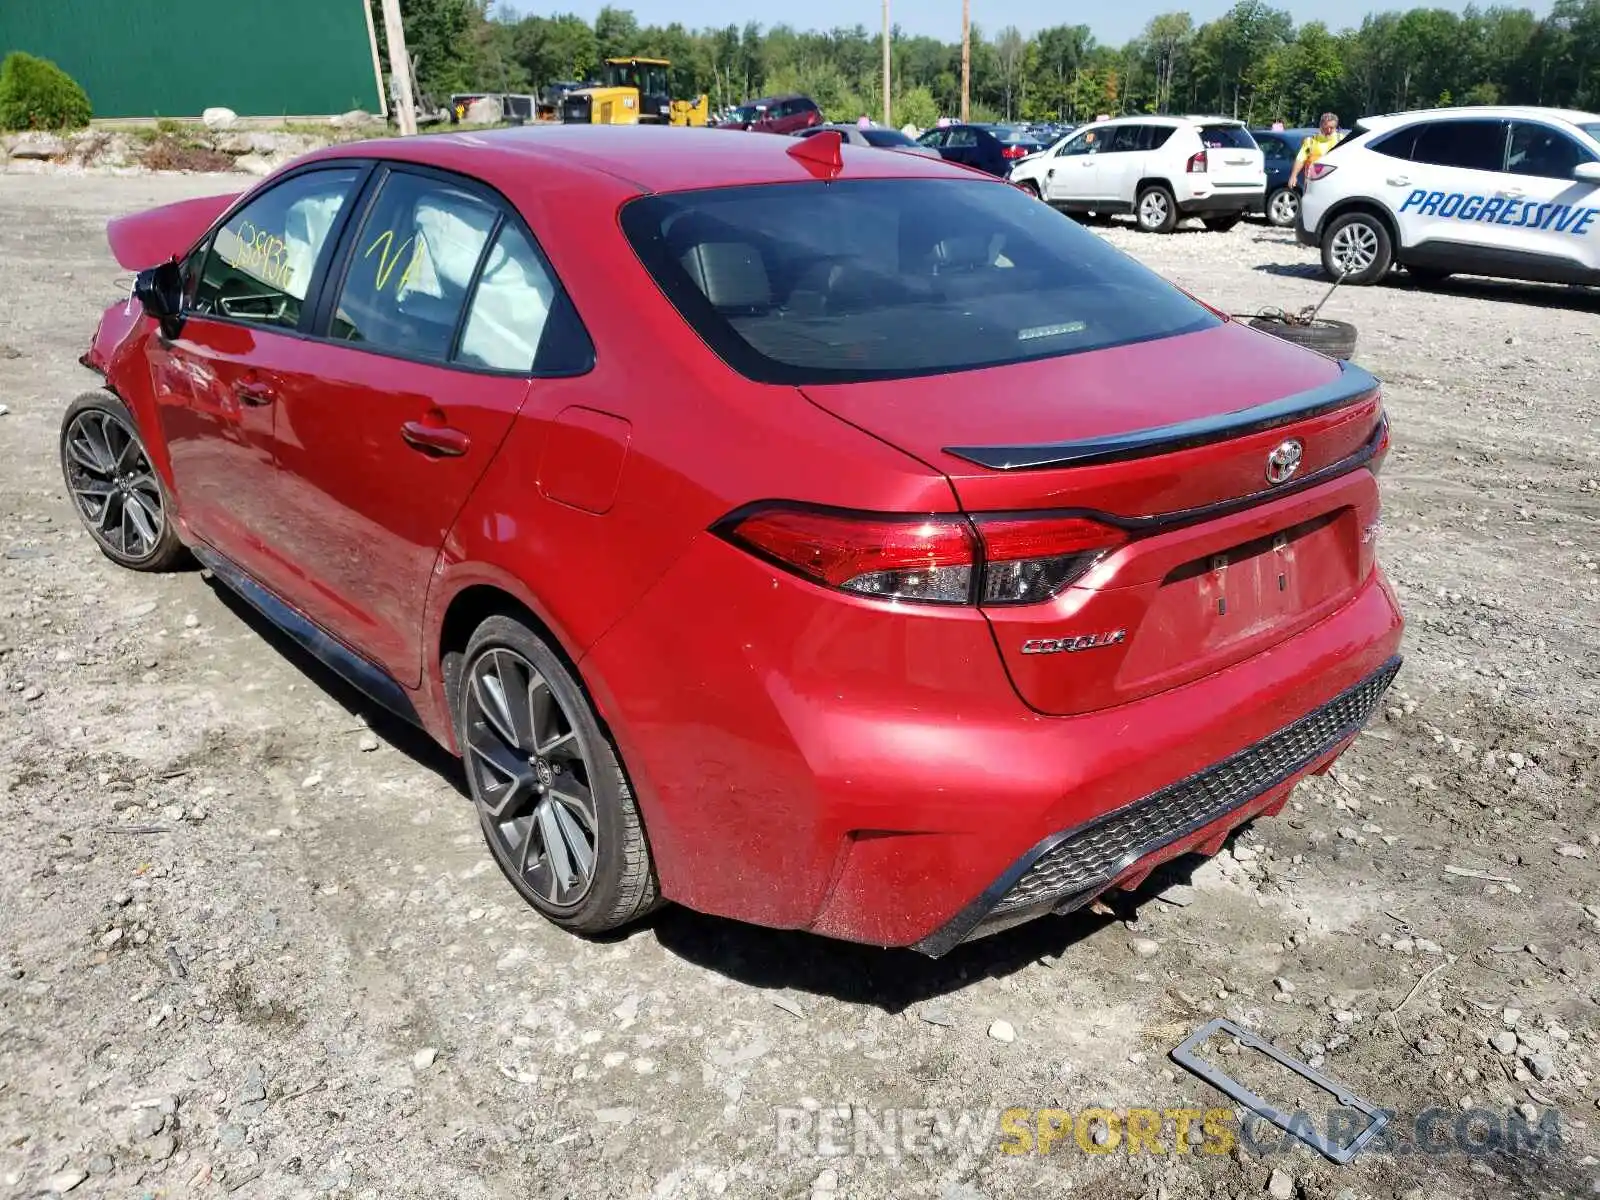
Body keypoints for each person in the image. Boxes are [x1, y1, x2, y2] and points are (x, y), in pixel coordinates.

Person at [1289, 112, 1341, 191]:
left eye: (1332, 128)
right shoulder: (1310, 142)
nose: (1329, 130)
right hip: (1312, 185)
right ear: (1320, 126)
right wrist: (1293, 176)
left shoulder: (1341, 140)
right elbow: (1300, 159)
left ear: (1336, 127)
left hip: (1335, 185)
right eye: (1326, 128)